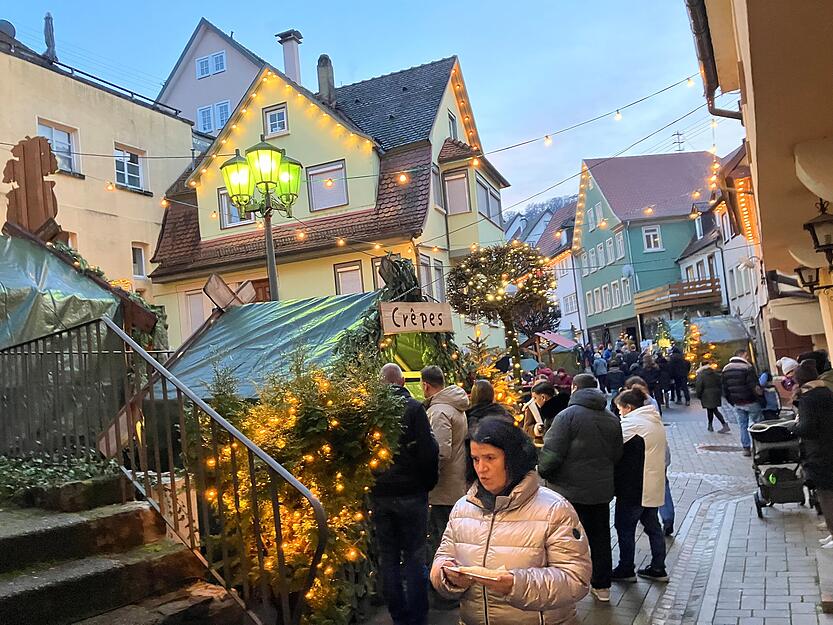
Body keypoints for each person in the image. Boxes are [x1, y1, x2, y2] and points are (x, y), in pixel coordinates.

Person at [430, 417, 592, 624]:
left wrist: (515, 584)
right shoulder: (463, 507)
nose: (482, 468)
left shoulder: (554, 509)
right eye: (475, 459)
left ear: (514, 458)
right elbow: (442, 557)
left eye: (490, 458)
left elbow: (576, 579)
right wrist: (447, 575)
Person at [538, 373, 623, 603]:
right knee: (601, 537)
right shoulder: (611, 418)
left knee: (569, 540)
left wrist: (542, 472)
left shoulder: (567, 417)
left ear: (574, 388)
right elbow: (617, 455)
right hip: (601, 491)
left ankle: (568, 586)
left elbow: (551, 455)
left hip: (570, 491)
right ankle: (602, 585)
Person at [371, 364, 440, 625]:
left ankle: (398, 615)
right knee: (414, 554)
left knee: (388, 556)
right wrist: (427, 482)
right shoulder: (413, 409)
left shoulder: (373, 412)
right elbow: (427, 451)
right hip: (412, 492)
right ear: (401, 383)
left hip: (381, 493)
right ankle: (417, 615)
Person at [612, 387, 669, 583]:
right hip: (652, 484)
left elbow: (612, 445)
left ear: (628, 407)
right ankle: (658, 567)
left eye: (620, 409)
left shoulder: (633, 424)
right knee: (653, 526)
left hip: (634, 486)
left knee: (624, 527)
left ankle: (626, 568)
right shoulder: (653, 420)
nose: (619, 413)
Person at [421, 365, 470, 560]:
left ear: (425, 385)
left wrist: (428, 478)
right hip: (456, 481)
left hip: (444, 487)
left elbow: (440, 452)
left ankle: (443, 578)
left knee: (441, 537)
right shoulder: (454, 406)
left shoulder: (438, 411)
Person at [793, 360, 833, 549]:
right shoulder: (826, 392)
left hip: (819, 451)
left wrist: (793, 428)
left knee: (826, 495)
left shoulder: (808, 399)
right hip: (829, 446)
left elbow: (807, 427)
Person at [721, 349, 764, 456]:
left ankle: (746, 448)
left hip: (737, 403)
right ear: (742, 355)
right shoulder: (747, 368)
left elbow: (725, 389)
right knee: (757, 424)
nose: (748, 358)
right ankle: (758, 447)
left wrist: (731, 401)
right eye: (747, 356)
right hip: (751, 401)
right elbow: (754, 386)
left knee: (742, 425)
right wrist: (761, 399)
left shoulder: (726, 369)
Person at [694, 364, 731, 433]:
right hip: (716, 394)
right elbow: (720, 384)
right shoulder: (715, 374)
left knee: (713, 410)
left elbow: (699, 386)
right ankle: (710, 425)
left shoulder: (701, 375)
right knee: (711, 409)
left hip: (706, 394)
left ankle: (723, 424)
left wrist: (699, 395)